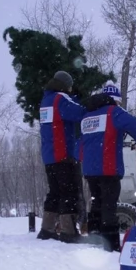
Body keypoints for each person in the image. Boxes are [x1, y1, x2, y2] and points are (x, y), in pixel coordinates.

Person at [80, 81, 136, 252]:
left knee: (96, 203)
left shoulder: (87, 117)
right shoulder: (114, 113)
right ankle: (110, 244)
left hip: (90, 171)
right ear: (114, 100)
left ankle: (94, 239)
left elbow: (79, 144)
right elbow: (134, 125)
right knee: (109, 206)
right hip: (108, 169)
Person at [38, 70, 86, 243]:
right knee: (69, 193)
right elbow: (79, 113)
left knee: (55, 192)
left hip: (49, 156)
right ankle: (69, 231)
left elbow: (61, 115)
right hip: (63, 155)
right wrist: (81, 99)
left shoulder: (46, 100)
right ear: (66, 85)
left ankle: (47, 229)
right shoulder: (60, 98)